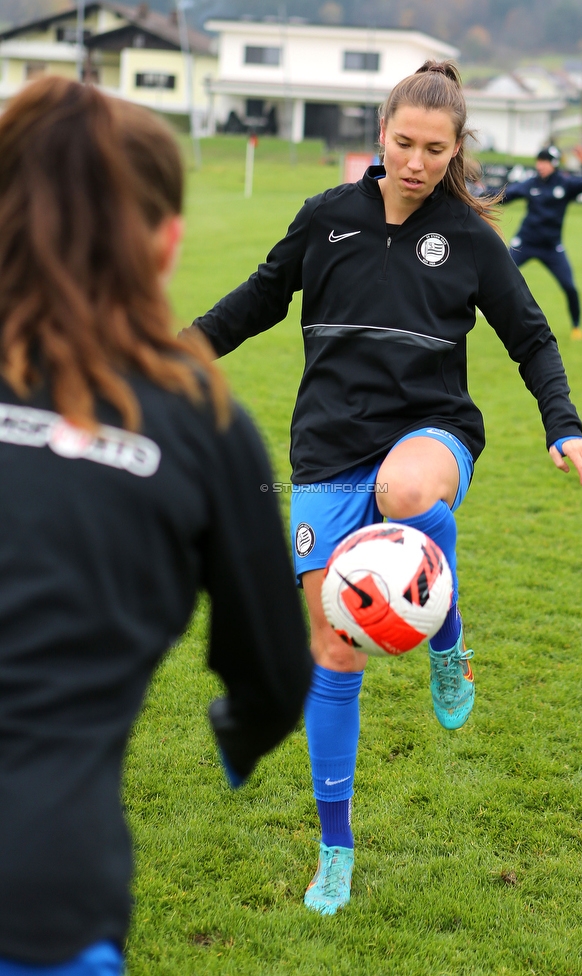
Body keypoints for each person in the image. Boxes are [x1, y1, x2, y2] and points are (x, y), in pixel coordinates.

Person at [191, 61, 582, 916]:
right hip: (326, 454)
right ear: (381, 135)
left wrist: (564, 424)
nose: (416, 161)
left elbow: (530, 337)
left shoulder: (471, 236)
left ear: (456, 151)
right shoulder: (327, 220)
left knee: (409, 490)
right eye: (404, 143)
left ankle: (445, 638)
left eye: (435, 149)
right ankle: (334, 849)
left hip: (430, 433)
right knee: (335, 652)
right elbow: (257, 300)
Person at [0, 77, 312, 974]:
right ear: (167, 243)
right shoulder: (199, 422)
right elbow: (276, 675)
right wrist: (238, 737)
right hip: (42, 897)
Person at [503, 145, 582, 340]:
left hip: (552, 248)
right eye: (539, 161)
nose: (541, 165)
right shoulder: (531, 183)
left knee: (570, 287)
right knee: (497, 272)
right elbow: (505, 195)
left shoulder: (565, 184)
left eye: (545, 161)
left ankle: (576, 326)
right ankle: (479, 310)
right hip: (525, 243)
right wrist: (479, 194)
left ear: (554, 164)